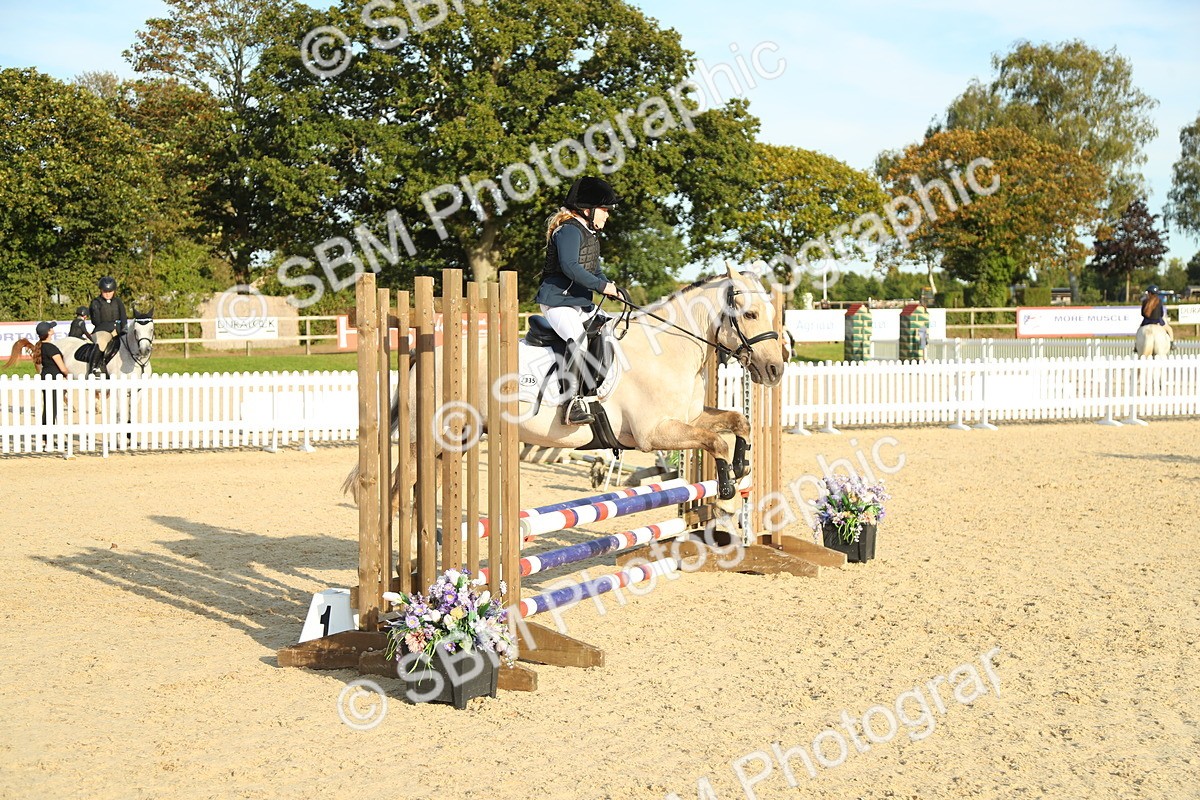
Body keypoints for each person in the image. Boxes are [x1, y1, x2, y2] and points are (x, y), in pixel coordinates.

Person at [534, 176, 622, 425]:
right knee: (579, 339)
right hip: (558, 303)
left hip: (578, 303)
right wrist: (601, 286)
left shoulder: (590, 235)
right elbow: (571, 267)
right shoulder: (569, 231)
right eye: (604, 210)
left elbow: (594, 271)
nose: (606, 215)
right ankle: (571, 404)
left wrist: (611, 287)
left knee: (609, 328)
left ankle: (593, 392)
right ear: (588, 210)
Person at [33, 321, 69, 433]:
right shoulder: (52, 348)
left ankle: (45, 435)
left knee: (48, 407)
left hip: (45, 376)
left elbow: (39, 365)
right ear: (49, 332)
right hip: (54, 378)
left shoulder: (40, 346)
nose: (53, 329)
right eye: (51, 328)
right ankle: (47, 435)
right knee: (52, 408)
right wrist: (68, 375)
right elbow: (62, 367)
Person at [88, 276, 127, 377]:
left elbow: (123, 317)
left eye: (110, 291)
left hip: (117, 330)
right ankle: (93, 368)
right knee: (102, 343)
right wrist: (113, 327)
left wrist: (123, 329)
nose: (108, 293)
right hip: (102, 330)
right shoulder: (96, 303)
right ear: (101, 290)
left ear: (114, 291)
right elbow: (96, 321)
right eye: (105, 291)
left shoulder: (118, 301)